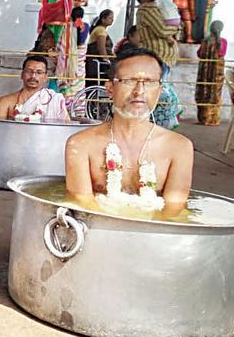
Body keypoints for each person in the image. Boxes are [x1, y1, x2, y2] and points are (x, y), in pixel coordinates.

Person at [65, 48, 193, 217]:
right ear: (110, 89)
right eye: (129, 81)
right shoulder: (80, 144)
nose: (139, 91)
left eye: (149, 82)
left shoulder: (179, 148)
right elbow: (82, 203)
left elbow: (173, 210)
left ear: (159, 91)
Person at [130, 0, 181, 129]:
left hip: (162, 57)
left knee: (161, 93)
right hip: (158, 56)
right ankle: (155, 126)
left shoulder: (155, 8)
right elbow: (162, 31)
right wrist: (176, 28)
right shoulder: (147, 9)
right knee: (158, 95)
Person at [0, 54, 69, 123]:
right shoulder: (5, 102)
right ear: (22, 74)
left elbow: (65, 128)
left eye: (39, 72)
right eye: (29, 71)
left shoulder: (54, 99)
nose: (33, 76)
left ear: (46, 77)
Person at [196, 20, 229, 126]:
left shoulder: (206, 41)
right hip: (217, 73)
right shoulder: (223, 41)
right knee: (215, 93)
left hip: (204, 72)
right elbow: (222, 53)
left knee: (204, 91)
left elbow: (199, 53)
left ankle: (203, 118)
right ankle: (213, 119)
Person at [56, 6, 89, 102]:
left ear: (71, 15)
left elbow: (61, 46)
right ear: (82, 16)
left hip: (67, 62)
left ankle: (65, 106)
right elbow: (81, 41)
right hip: (79, 61)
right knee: (78, 86)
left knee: (66, 87)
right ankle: (77, 108)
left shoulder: (66, 27)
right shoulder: (86, 26)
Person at [86, 9, 114, 86]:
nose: (112, 20)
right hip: (96, 62)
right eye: (110, 18)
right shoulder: (100, 30)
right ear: (103, 19)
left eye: (112, 18)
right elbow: (101, 48)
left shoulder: (100, 29)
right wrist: (107, 60)